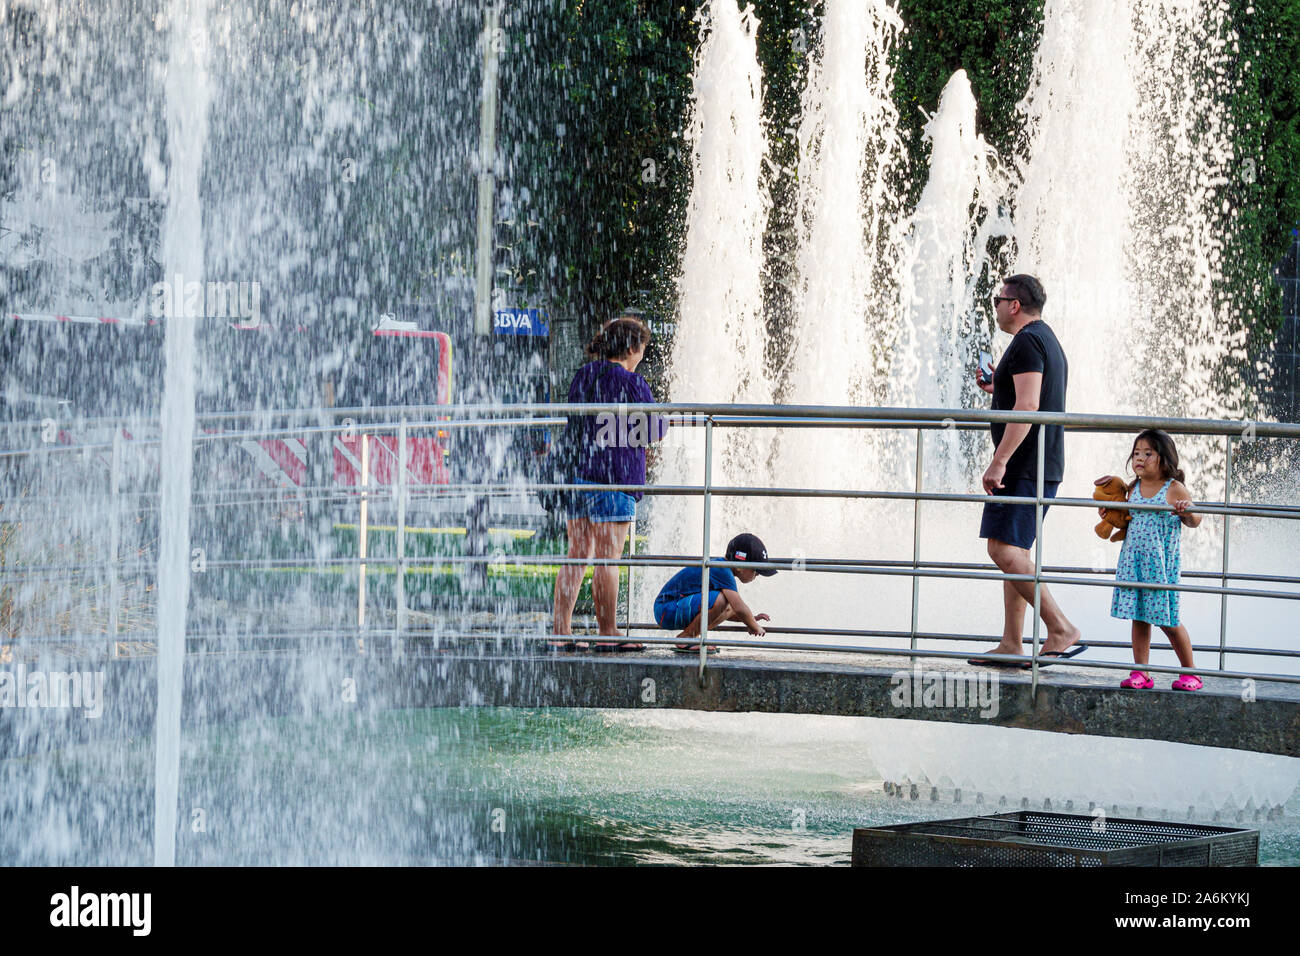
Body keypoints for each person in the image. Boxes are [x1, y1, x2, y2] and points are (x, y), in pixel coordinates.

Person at [969, 274, 1082, 668]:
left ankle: (1060, 628)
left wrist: (999, 460)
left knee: (1001, 549)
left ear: (1014, 305)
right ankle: (1012, 642)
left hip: (1025, 466)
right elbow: (1025, 395)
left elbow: (1029, 406)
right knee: (1013, 551)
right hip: (1040, 464)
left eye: (999, 299)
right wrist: (998, 384)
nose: (995, 306)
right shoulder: (1044, 340)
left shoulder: (1028, 341)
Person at [550, 314, 665, 651]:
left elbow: (575, 418)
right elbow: (656, 429)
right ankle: (608, 631)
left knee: (577, 554)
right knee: (608, 558)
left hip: (580, 476)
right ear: (632, 347)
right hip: (616, 478)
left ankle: (561, 630)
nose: (644, 352)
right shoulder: (633, 384)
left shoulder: (584, 375)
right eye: (643, 346)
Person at [1106, 430, 1203, 690]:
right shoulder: (1133, 488)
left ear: (1165, 458)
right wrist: (1108, 512)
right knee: (1139, 618)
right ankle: (1141, 672)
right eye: (1136, 453)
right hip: (1134, 563)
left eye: (1148, 453)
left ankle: (1190, 672)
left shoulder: (1172, 488)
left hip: (1159, 567)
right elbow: (1123, 516)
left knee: (1168, 620)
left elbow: (1196, 520)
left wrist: (1186, 512)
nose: (1140, 458)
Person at [652, 533, 774, 653]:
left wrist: (750, 620)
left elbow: (728, 610)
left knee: (726, 602)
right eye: (756, 570)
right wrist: (754, 626)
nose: (757, 575)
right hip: (665, 608)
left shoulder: (723, 569)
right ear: (739, 566)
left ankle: (691, 637)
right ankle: (687, 637)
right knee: (722, 599)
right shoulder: (722, 569)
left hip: (669, 610)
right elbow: (739, 607)